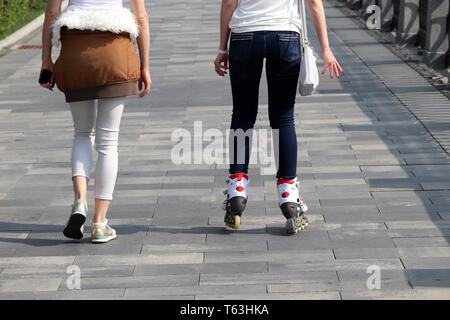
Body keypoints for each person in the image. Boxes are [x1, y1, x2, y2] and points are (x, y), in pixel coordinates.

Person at [215, 0, 343, 234]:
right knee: (283, 117)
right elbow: (313, 2)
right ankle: (289, 198)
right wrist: (325, 48)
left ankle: (236, 190)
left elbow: (229, 3)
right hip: (284, 35)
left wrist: (223, 49)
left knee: (242, 115)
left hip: (244, 36)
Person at [39, 0, 151, 243]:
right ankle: (100, 223)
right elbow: (140, 16)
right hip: (116, 51)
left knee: (82, 133)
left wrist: (46, 59)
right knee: (108, 142)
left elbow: (52, 12)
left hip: (75, 52)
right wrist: (145, 66)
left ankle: (80, 201)